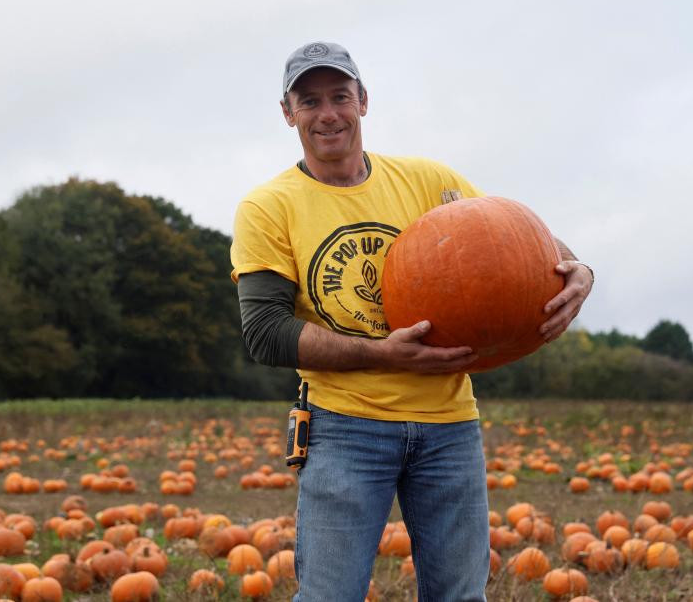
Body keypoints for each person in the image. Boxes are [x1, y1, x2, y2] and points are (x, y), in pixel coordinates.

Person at [230, 42, 593, 601]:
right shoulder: (269, 207)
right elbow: (264, 331)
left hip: (449, 426)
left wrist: (580, 272)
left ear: (363, 102)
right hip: (344, 427)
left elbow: (518, 244)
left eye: (340, 97)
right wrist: (381, 354)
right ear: (288, 112)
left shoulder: (428, 182)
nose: (328, 113)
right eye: (310, 101)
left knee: (459, 597)